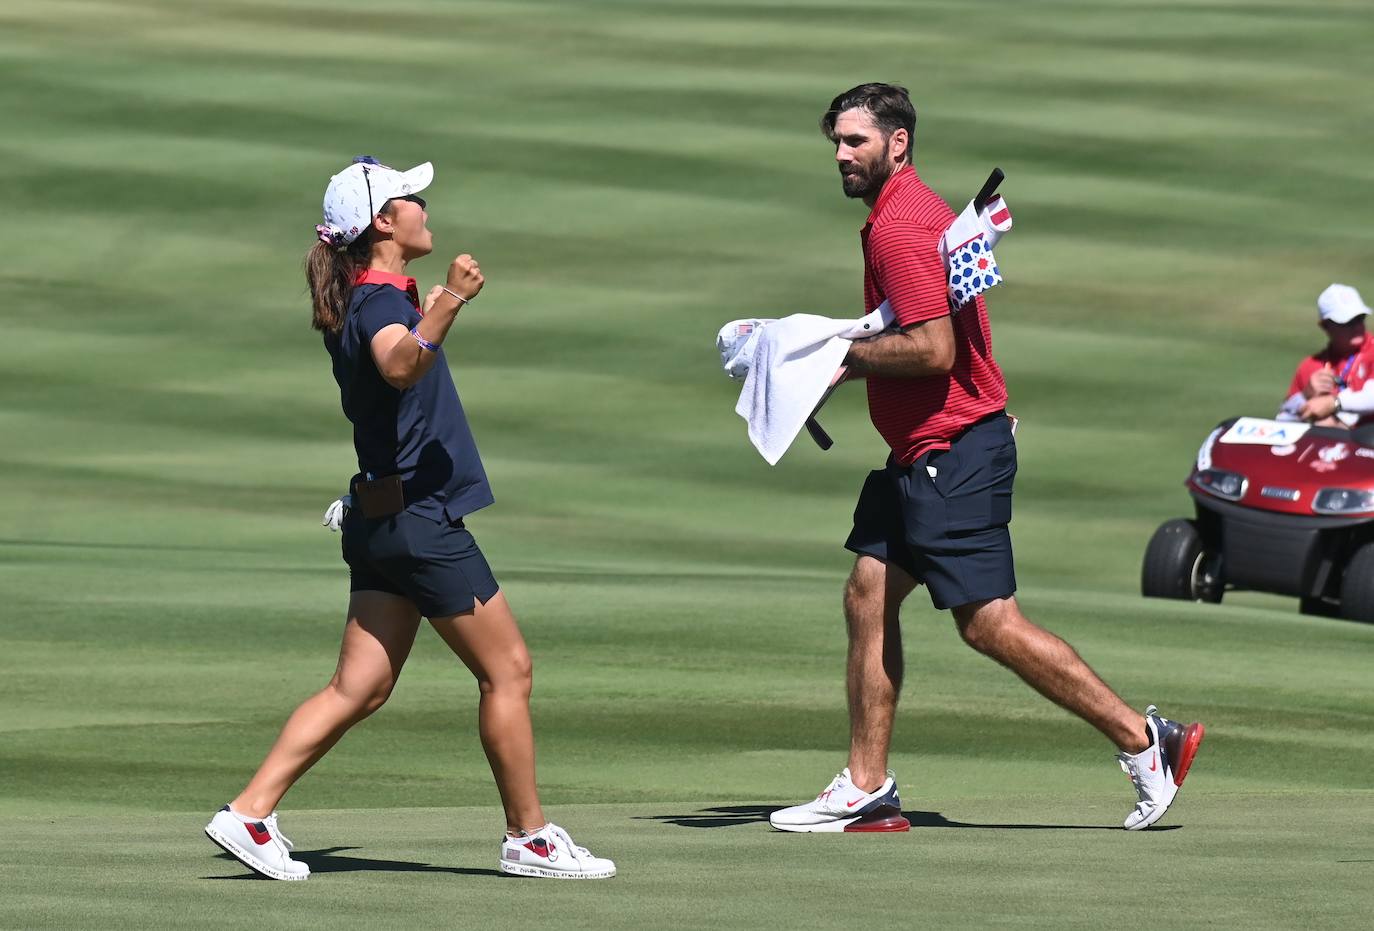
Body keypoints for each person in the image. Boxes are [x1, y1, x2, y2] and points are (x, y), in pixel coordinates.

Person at [768, 85, 1204, 834]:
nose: (840, 155)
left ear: (897, 143)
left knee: (989, 624)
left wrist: (838, 361)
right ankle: (867, 785)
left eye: (855, 142)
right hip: (925, 453)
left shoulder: (899, 228)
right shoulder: (920, 211)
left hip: (953, 453)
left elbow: (933, 350)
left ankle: (1144, 740)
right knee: (868, 591)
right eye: (836, 142)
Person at [203, 156, 615, 881]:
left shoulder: (373, 295)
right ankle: (529, 836)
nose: (424, 205)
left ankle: (249, 811)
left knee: (359, 687)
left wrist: (431, 302)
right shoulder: (379, 305)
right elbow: (399, 364)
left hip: (379, 519)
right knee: (509, 669)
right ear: (383, 223)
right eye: (409, 197)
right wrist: (450, 301)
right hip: (419, 522)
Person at [1277, 284, 1374, 427]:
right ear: (1325, 326)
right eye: (1347, 322)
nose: (1356, 326)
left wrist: (1334, 403)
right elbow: (1282, 421)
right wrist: (1305, 396)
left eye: (1360, 318)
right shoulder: (1310, 366)